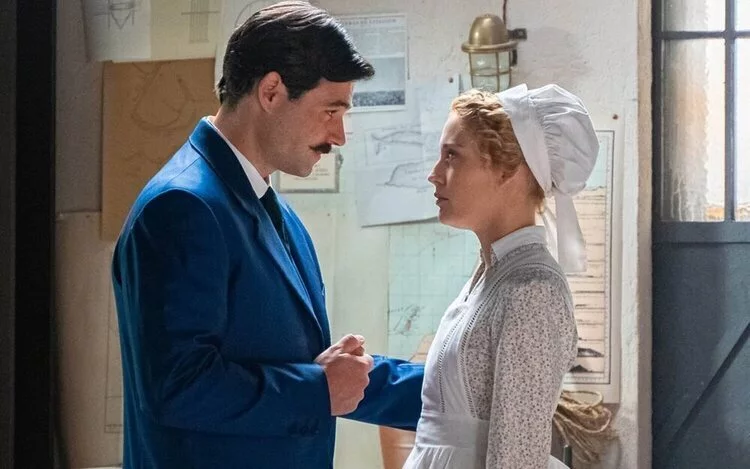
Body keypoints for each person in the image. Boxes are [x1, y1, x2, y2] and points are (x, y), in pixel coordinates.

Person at [111, 2, 423, 468]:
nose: (340, 135)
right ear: (272, 92)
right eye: (330, 111)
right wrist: (317, 389)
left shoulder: (273, 209)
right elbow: (177, 385)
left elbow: (310, 372)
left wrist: (457, 389)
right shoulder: (182, 206)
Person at [402, 84, 599, 469]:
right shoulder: (491, 274)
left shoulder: (533, 290)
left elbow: (518, 455)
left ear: (508, 169)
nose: (434, 175)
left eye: (452, 156)